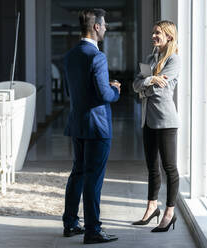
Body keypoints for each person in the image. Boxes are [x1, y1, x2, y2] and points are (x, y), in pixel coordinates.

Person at [61, 8, 121, 244]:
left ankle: (70, 223)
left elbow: (72, 91)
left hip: (77, 123)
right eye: (104, 24)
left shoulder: (71, 55)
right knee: (93, 179)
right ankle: (93, 230)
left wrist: (102, 86)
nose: (105, 28)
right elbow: (105, 95)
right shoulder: (97, 56)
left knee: (77, 173)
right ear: (96, 27)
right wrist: (115, 89)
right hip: (97, 126)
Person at [132, 20, 180, 232]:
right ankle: (152, 206)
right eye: (153, 32)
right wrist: (151, 80)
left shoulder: (173, 60)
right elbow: (135, 85)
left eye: (157, 33)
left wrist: (145, 85)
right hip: (148, 120)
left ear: (169, 36)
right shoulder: (151, 59)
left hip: (165, 121)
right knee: (152, 167)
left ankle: (169, 212)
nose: (153, 35)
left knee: (169, 167)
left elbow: (161, 91)